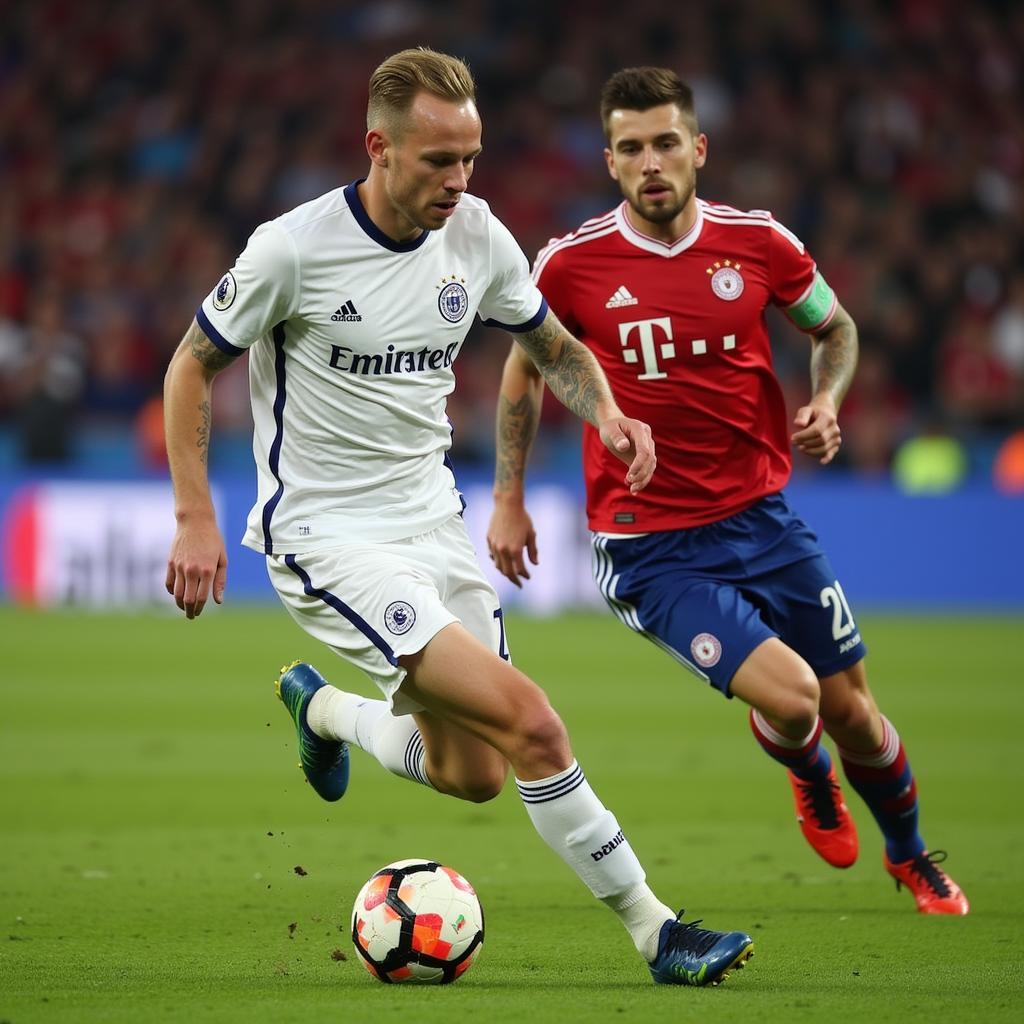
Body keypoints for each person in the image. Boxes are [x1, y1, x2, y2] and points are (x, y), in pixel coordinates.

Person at [163, 48, 755, 986]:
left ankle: (324, 709)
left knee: (476, 772)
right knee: (534, 726)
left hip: (434, 524)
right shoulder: (293, 248)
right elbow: (190, 365)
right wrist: (196, 515)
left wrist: (607, 411)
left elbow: (552, 345)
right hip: (327, 538)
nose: (459, 180)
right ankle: (657, 931)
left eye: (470, 158)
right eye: (439, 160)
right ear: (379, 148)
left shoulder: (477, 237)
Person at [487, 66, 968, 915]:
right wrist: (508, 498)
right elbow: (524, 371)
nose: (652, 163)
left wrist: (826, 398)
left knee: (855, 709)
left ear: (698, 149)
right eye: (631, 148)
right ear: (609, 161)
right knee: (797, 699)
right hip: (653, 545)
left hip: (763, 516)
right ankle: (810, 772)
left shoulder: (761, 243)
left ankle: (909, 853)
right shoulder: (569, 263)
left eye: (666, 143)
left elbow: (836, 329)